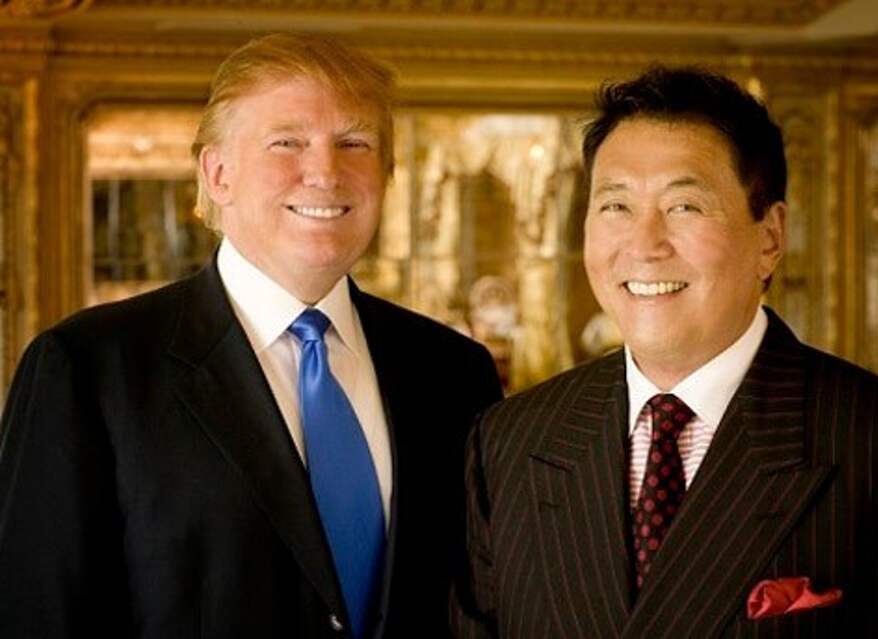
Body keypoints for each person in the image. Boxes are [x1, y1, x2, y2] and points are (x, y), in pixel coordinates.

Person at [450, 66, 878, 637]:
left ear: (770, 237)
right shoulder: (509, 442)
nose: (644, 245)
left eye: (684, 207)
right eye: (615, 207)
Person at [0, 33, 502, 638]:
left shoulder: (454, 372)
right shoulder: (87, 369)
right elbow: (36, 614)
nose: (326, 172)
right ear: (218, 174)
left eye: (355, 143)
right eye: (287, 142)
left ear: (387, 174)